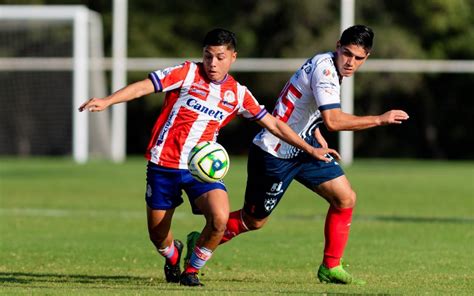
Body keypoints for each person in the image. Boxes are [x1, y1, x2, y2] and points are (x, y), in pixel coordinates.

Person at [78, 28, 340, 286]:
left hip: (200, 168)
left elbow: (274, 125)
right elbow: (143, 87)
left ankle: (191, 271)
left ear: (233, 57)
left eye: (220, 57)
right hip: (163, 163)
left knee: (219, 218)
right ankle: (173, 256)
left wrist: (309, 148)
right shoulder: (186, 73)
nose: (212, 63)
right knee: (158, 236)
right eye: (208, 56)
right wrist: (107, 101)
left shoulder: (238, 93)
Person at [187, 25, 409, 285]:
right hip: (274, 151)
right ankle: (201, 240)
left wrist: (314, 133)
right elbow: (334, 121)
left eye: (358, 58)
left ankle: (330, 266)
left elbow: (301, 106)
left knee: (345, 198)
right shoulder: (326, 71)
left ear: (366, 57)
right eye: (347, 53)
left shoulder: (327, 64)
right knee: (253, 221)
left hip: (304, 147)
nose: (350, 62)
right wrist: (379, 120)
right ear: (338, 46)